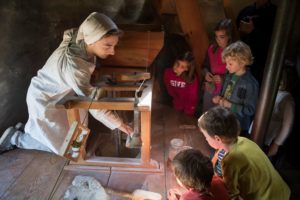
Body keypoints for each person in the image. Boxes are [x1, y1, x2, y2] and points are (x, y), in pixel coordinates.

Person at [0, 12, 134, 154]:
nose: (112, 52)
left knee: (75, 140)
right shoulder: (74, 66)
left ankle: (29, 129)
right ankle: (16, 138)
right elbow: (94, 105)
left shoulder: (81, 40)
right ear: (92, 40)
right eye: (107, 46)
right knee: (68, 149)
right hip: (46, 100)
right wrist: (120, 125)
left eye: (114, 46)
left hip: (61, 95)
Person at [198, 106, 291, 200]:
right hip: (281, 190)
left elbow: (230, 195)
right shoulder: (242, 140)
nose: (205, 139)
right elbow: (217, 158)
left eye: (205, 136)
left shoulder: (230, 161)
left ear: (217, 138)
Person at [212, 41, 259, 134]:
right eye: (226, 63)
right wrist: (219, 99)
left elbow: (250, 110)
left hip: (237, 127)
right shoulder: (229, 75)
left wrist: (230, 105)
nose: (226, 66)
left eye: (230, 64)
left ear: (242, 63)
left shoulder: (250, 84)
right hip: (223, 120)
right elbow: (225, 94)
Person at [236, 0, 277, 84]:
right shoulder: (245, 11)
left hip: (266, 61)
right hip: (247, 60)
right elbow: (238, 35)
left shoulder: (276, 12)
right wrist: (241, 32)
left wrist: (253, 31)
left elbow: (276, 39)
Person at [202, 18, 233, 112]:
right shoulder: (212, 49)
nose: (218, 40)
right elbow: (204, 66)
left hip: (226, 93)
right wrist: (206, 73)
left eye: (222, 37)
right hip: (210, 89)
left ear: (229, 36)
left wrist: (223, 78)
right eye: (216, 37)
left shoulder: (235, 53)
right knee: (206, 116)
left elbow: (239, 74)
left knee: (219, 119)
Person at [164, 51, 198, 116]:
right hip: (176, 103)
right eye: (177, 63)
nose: (177, 68)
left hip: (189, 107)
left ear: (187, 69)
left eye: (182, 67)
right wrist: (176, 100)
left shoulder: (191, 78)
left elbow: (192, 98)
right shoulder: (167, 73)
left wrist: (188, 111)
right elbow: (169, 89)